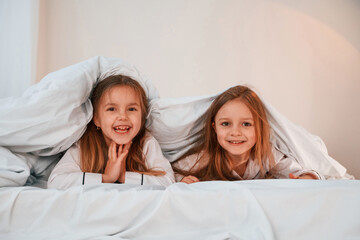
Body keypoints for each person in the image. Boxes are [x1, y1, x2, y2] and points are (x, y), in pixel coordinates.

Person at [172, 85, 323, 183]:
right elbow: (172, 173)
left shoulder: (266, 155)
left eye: (246, 124)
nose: (235, 132)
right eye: (225, 124)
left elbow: (299, 172)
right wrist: (183, 180)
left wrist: (307, 177)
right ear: (214, 127)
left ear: (259, 128)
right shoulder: (205, 156)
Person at [48, 75, 175, 189]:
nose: (122, 116)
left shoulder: (146, 143)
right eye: (112, 109)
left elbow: (168, 181)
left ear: (142, 118)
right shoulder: (85, 145)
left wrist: (124, 177)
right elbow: (55, 182)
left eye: (131, 109)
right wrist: (107, 178)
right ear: (96, 119)